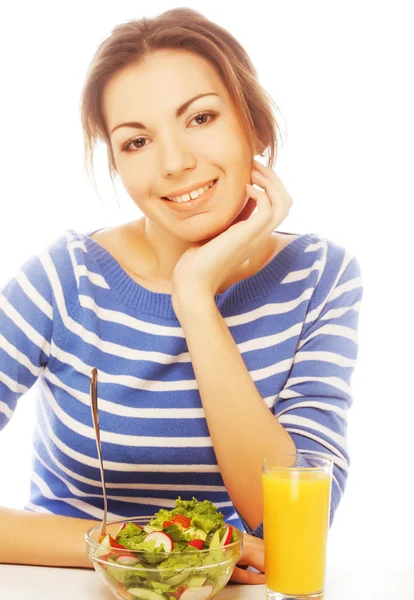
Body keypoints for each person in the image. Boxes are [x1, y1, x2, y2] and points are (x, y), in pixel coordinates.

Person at [0, 7, 363, 584]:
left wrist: (195, 298)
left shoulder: (321, 275)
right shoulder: (63, 278)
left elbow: (290, 523)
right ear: (117, 164)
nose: (174, 163)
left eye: (200, 117)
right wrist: (149, 545)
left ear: (256, 125)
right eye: (137, 140)